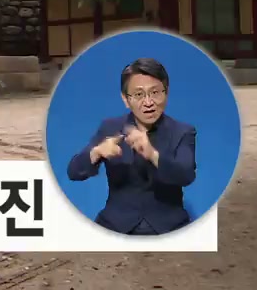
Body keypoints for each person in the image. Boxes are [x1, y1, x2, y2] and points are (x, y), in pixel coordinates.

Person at [67, 57, 197, 235]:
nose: (148, 102)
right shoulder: (110, 128)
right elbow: (73, 172)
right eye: (139, 94)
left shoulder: (183, 131)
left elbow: (186, 175)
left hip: (169, 227)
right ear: (125, 99)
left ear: (166, 93)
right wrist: (96, 153)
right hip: (115, 225)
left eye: (155, 92)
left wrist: (152, 154)